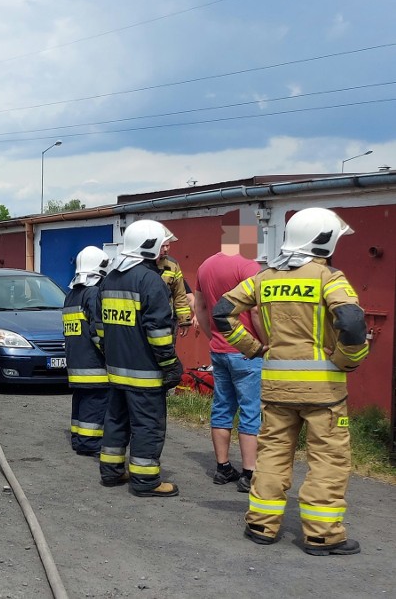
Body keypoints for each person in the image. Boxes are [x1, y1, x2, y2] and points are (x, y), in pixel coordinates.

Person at [213, 208, 369, 555]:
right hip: (324, 392)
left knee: (272, 456)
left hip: (276, 388)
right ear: (325, 241)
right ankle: (323, 536)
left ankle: (261, 525)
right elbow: (352, 322)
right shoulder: (329, 277)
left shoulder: (264, 277)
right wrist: (347, 361)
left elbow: (220, 311)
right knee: (328, 461)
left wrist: (252, 347)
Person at [97, 219, 183, 496]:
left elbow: (98, 327)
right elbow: (158, 331)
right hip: (144, 372)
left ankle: (111, 472)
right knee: (147, 425)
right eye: (162, 245)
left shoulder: (109, 279)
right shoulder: (150, 281)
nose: (165, 250)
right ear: (150, 247)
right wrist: (170, 365)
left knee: (116, 420)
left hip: (116, 370)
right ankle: (146, 481)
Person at [194, 251, 264, 492]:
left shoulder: (205, 265)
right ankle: (249, 473)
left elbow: (200, 307)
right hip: (246, 351)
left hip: (219, 349)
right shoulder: (249, 266)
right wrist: (263, 344)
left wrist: (212, 337)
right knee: (250, 411)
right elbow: (255, 311)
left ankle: (222, 468)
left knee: (222, 407)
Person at [62, 246, 110, 456]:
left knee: (81, 399)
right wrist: (110, 351)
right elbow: (98, 329)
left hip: (76, 363)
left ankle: (79, 437)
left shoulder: (71, 295)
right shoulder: (93, 294)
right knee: (96, 401)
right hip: (94, 364)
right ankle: (89, 442)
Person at [157, 233, 193, 337]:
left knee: (167, 350)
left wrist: (184, 320)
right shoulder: (141, 264)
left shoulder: (173, 265)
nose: (165, 249)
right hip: (145, 318)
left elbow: (180, 294)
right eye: (162, 246)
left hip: (168, 320)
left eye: (167, 246)